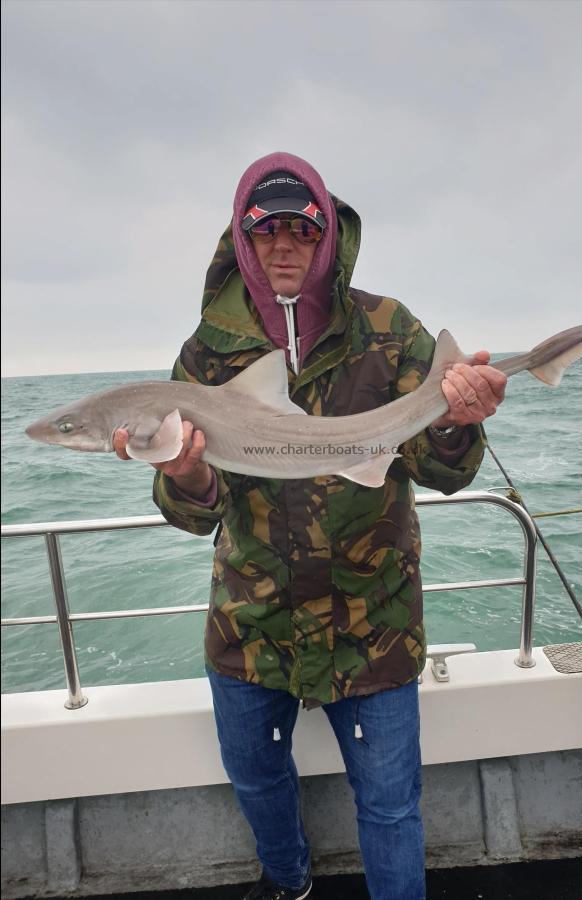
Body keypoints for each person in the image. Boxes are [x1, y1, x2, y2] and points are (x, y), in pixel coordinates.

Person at [114, 152, 506, 900]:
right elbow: (196, 512)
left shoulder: (390, 331)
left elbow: (441, 470)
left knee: (391, 806)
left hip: (375, 617)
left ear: (327, 236)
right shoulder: (203, 358)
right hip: (250, 622)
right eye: (266, 232)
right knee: (258, 782)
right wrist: (188, 474)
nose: (284, 245)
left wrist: (456, 425)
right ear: (242, 240)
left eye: (302, 228)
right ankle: (288, 882)